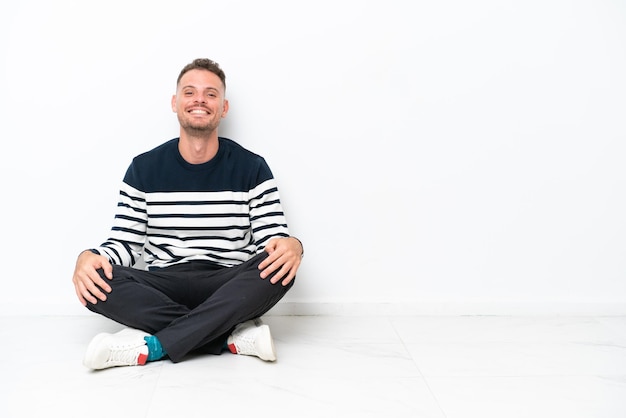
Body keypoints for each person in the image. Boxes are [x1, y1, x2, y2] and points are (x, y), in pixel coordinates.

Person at [72, 58, 303, 370]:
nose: (199, 100)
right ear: (175, 102)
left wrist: (292, 246)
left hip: (227, 281)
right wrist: (90, 256)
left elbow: (272, 241)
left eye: (210, 94)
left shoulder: (252, 167)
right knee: (96, 278)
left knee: (278, 268)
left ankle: (153, 346)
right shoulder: (144, 168)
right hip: (166, 282)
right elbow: (124, 245)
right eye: (190, 92)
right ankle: (228, 337)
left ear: (223, 107)